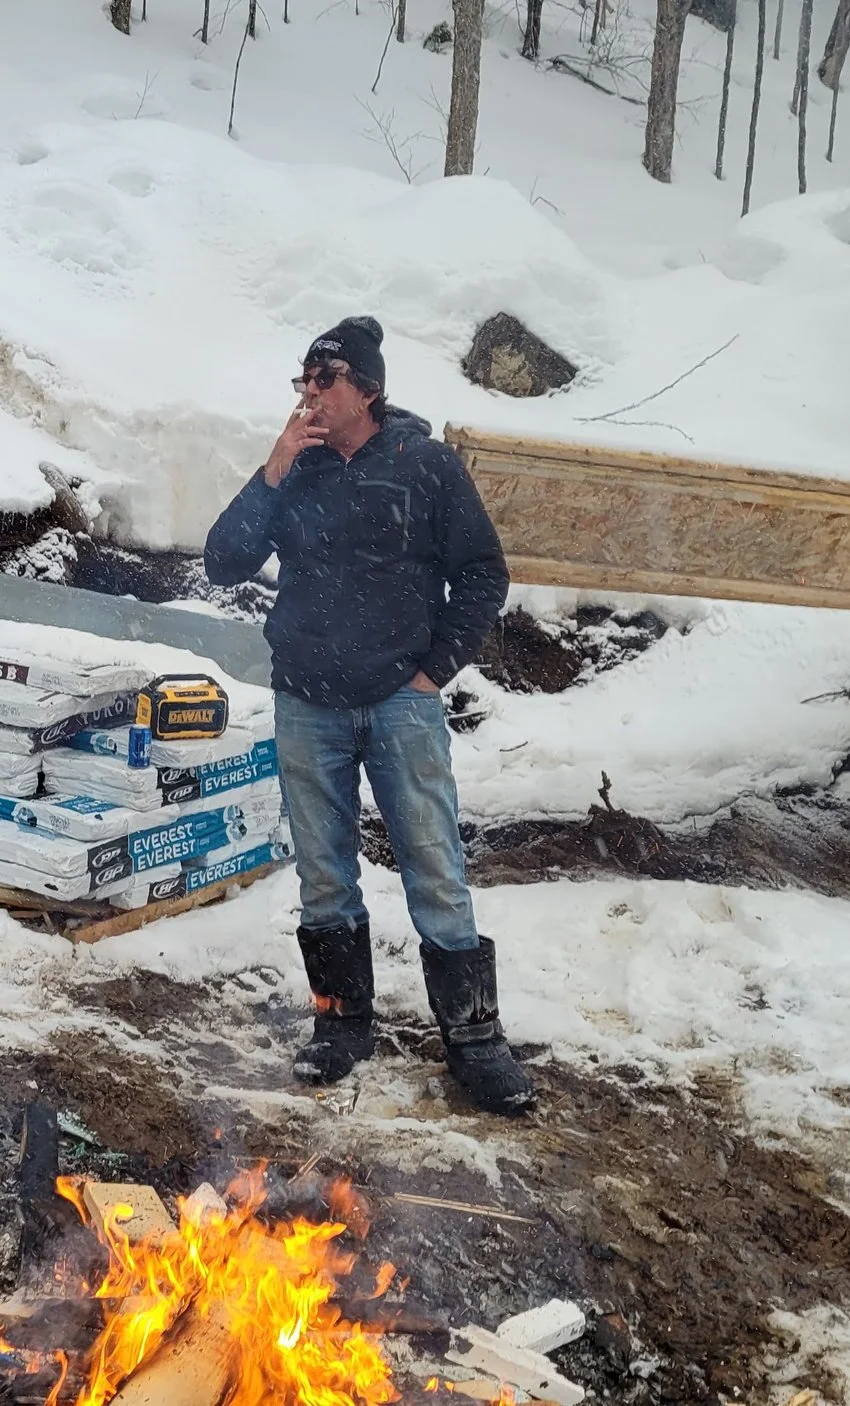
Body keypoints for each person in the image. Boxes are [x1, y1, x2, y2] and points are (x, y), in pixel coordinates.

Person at [203, 317, 533, 1114]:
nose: (310, 393)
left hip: (399, 702)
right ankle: (342, 1024)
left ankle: (475, 1039)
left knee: (434, 865)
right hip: (307, 701)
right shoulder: (297, 472)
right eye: (303, 380)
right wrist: (276, 464)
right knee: (324, 872)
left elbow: (484, 574)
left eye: (326, 379)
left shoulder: (426, 466)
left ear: (369, 389)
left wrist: (434, 670)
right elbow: (224, 561)